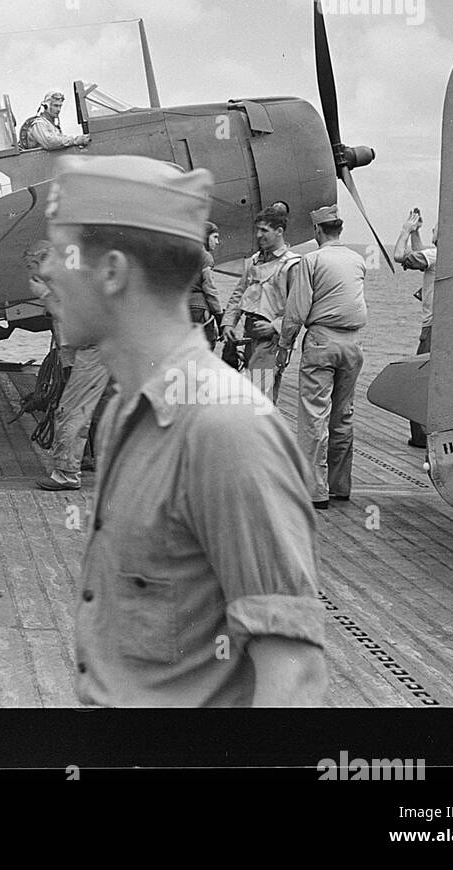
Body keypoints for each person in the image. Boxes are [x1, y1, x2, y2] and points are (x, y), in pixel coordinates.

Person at [38, 154, 327, 707]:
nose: (47, 270)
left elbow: (294, 683)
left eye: (60, 251)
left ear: (113, 272)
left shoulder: (226, 431)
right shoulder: (129, 407)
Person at [277, 205, 368, 510]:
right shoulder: (357, 261)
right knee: (343, 415)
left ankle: (315, 491)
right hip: (353, 343)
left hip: (321, 340)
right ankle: (341, 486)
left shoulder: (312, 260)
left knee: (315, 415)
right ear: (339, 229)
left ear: (318, 231)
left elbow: (297, 309)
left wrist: (284, 344)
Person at [26, 244, 113, 491]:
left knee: (73, 411)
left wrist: (45, 295)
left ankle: (66, 474)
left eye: (33, 268)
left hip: (92, 349)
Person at [222, 210, 300, 403]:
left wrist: (275, 327)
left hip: (271, 341)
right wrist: (229, 324)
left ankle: (263, 431)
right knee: (254, 396)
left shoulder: (292, 265)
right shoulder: (254, 261)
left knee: (259, 400)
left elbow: (299, 309)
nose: (258, 235)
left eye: (264, 230)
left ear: (279, 231)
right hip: (249, 337)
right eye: (257, 230)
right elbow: (238, 294)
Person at [393, 208, 437, 449]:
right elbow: (424, 256)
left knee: (419, 379)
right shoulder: (443, 255)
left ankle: (421, 436)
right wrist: (416, 232)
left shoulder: (436, 255)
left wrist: (405, 231)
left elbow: (399, 256)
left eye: (435, 228)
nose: (432, 229)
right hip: (442, 326)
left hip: (432, 328)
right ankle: (425, 433)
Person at [188, 221, 224, 349]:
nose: (217, 242)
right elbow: (210, 289)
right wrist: (219, 315)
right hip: (199, 310)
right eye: (215, 237)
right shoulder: (205, 257)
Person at [18, 91, 90, 151]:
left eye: (60, 106)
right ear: (46, 106)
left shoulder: (51, 125)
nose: (58, 109)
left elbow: (59, 141)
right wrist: (75, 140)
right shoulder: (39, 124)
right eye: (55, 106)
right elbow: (50, 142)